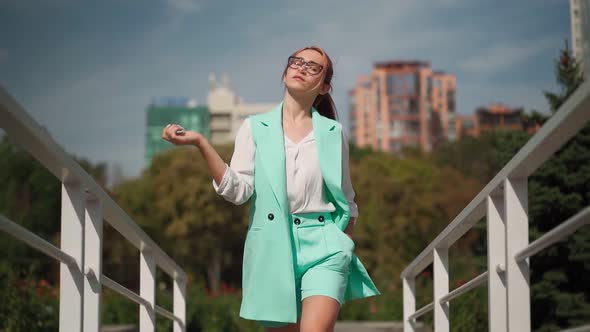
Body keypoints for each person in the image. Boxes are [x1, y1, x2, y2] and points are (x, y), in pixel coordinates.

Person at [162, 45, 379, 332]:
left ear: (325, 87)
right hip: (273, 249)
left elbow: (347, 199)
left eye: (313, 67)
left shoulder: (333, 132)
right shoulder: (254, 128)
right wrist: (201, 143)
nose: (302, 67)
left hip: (326, 246)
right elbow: (237, 192)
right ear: (285, 72)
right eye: (297, 61)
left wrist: (343, 243)